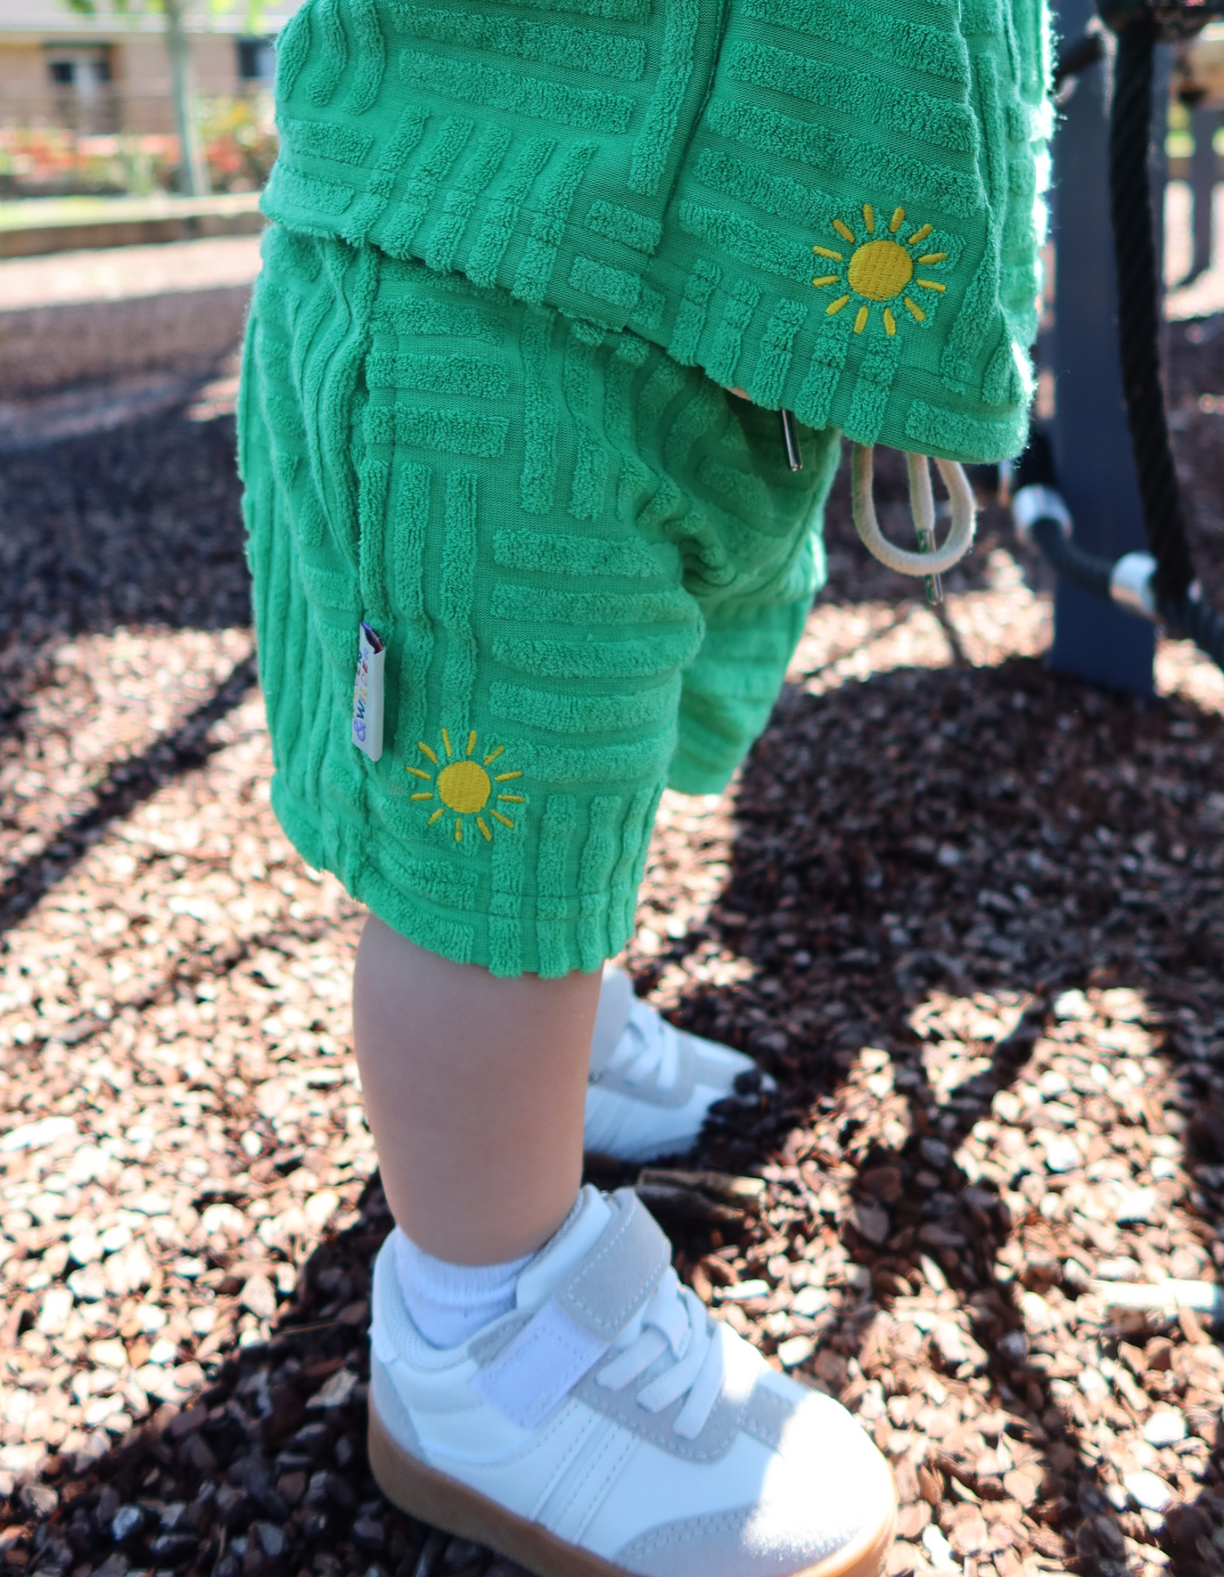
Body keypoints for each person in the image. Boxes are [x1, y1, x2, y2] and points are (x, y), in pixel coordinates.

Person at [237, 2, 1051, 1572]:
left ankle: (560, 1040)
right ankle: (479, 1331)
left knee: (584, 767)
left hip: (716, 288)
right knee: (487, 850)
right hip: (510, 253)